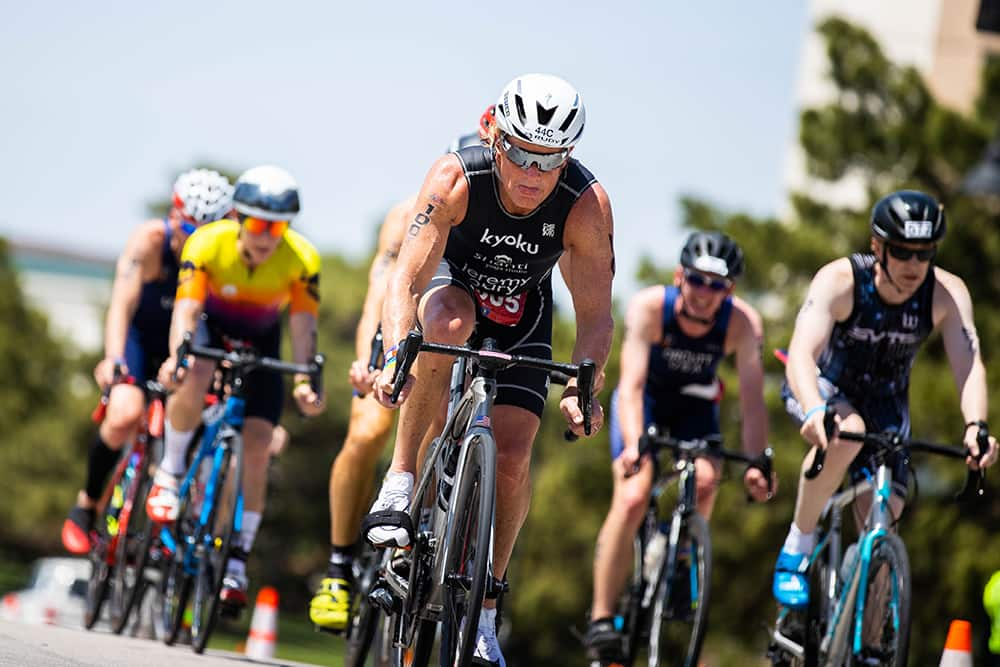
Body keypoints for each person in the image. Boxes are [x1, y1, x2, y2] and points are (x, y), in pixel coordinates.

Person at [365, 73, 615, 667]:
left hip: (522, 313)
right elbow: (405, 280)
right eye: (521, 153)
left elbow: (597, 316)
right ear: (495, 135)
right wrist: (398, 351)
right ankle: (402, 478)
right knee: (446, 325)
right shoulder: (456, 176)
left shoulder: (586, 205)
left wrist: (585, 386)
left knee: (511, 456)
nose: (532, 174)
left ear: (569, 156)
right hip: (453, 294)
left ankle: (484, 607)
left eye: (549, 160)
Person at [771, 190, 998, 609]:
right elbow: (801, 354)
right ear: (878, 247)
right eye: (902, 252)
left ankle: (869, 645)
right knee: (848, 434)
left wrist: (976, 427)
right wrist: (814, 408)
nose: (914, 266)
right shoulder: (841, 281)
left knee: (883, 523)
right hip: (824, 387)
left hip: (887, 404)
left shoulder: (946, 293)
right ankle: (797, 548)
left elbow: (968, 366)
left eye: (924, 254)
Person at [309, 122, 492, 632]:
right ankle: (339, 566)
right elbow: (384, 287)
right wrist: (376, 354)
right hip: (400, 329)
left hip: (453, 334)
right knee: (367, 431)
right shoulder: (408, 213)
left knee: (443, 421)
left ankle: (423, 533)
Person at [583, 231, 773, 662]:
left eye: (717, 285)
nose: (705, 293)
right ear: (679, 276)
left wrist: (758, 460)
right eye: (697, 280)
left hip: (696, 405)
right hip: (645, 402)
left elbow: (752, 401)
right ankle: (601, 616)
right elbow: (629, 387)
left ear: (730, 290)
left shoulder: (742, 324)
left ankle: (682, 550)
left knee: (707, 480)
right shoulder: (651, 307)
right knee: (632, 496)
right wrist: (634, 446)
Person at [148, 165, 326, 609]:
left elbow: (304, 329)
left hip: (261, 340)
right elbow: (186, 313)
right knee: (196, 372)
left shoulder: (302, 259)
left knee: (260, 444)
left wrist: (304, 380)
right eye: (259, 223)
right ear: (237, 217)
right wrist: (177, 357)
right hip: (211, 327)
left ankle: (237, 560)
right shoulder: (206, 243)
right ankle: (169, 473)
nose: (268, 236)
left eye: (279, 226)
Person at [61, 169, 234, 554]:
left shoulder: (227, 256)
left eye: (207, 235)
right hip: (143, 337)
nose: (194, 243)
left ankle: (175, 513)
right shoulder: (149, 241)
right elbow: (122, 303)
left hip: (189, 345)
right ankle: (87, 504)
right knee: (123, 413)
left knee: (198, 422)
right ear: (174, 216)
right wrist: (112, 358)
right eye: (189, 232)